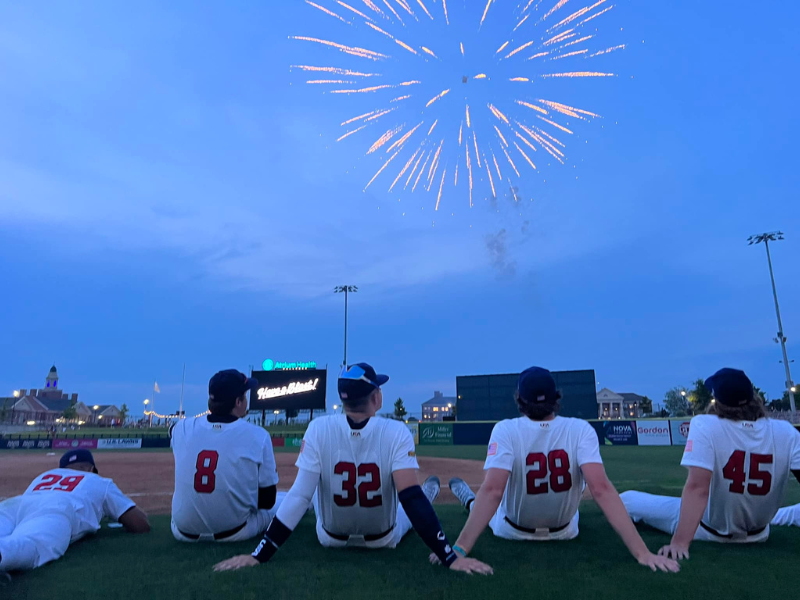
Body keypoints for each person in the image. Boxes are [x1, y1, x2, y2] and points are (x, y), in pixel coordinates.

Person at [213, 363, 493, 575]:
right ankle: (432, 489)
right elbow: (410, 499)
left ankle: (428, 490)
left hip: (330, 537)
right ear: (376, 396)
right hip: (383, 538)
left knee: (305, 493)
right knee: (416, 496)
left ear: (344, 399)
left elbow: (298, 497)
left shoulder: (318, 428)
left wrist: (260, 554)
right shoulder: (395, 431)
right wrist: (449, 557)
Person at [442, 367, 678, 573]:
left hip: (511, 530)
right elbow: (602, 490)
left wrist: (459, 549)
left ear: (520, 400)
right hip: (565, 531)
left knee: (492, 499)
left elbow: (492, 491)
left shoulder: (505, 430)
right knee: (580, 486)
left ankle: (468, 500)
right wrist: (642, 553)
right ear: (556, 398)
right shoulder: (580, 429)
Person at [621, 368, 800, 559]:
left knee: (626, 499)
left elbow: (698, 488)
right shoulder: (786, 431)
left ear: (718, 400)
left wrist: (680, 542)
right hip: (760, 532)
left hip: (710, 530)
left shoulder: (706, 424)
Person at [170, 369, 283, 542]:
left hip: (183, 532)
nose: (246, 400)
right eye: (244, 396)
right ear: (238, 402)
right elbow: (268, 501)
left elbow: (171, 430)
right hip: (235, 532)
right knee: (287, 501)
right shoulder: (257, 435)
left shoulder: (182, 428)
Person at [0, 449, 149, 575]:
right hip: (55, 508)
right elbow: (140, 524)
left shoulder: (44, 475)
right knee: (32, 545)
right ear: (91, 469)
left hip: (13, 505)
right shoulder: (98, 480)